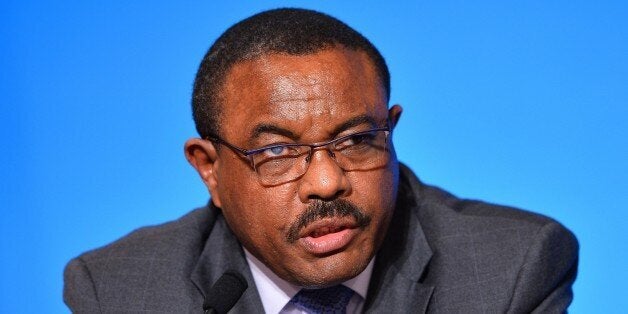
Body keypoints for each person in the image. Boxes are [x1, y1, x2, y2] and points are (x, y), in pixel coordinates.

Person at [63, 8, 578, 313]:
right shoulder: (119, 291)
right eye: (276, 152)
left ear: (391, 130)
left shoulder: (511, 269)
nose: (328, 182)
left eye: (356, 140)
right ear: (209, 169)